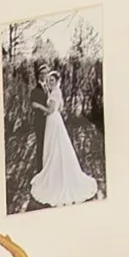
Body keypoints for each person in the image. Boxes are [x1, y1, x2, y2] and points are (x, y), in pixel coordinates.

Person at [28, 65, 97, 209]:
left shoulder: (55, 93)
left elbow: (50, 110)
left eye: (52, 80)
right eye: (49, 80)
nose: (50, 81)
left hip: (53, 121)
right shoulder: (54, 92)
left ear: (57, 81)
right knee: (53, 147)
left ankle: (55, 177)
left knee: (55, 148)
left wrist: (38, 106)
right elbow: (60, 108)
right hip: (53, 121)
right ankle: (52, 173)